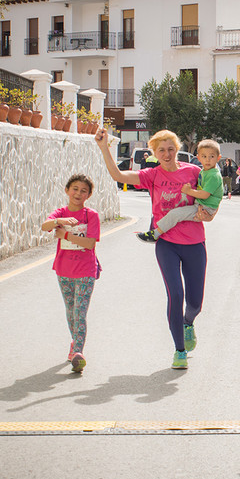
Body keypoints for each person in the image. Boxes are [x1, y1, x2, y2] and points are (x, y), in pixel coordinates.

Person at [94, 127, 209, 369]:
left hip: (195, 243)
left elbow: (213, 195)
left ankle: (189, 322)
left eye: (170, 149)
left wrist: (210, 212)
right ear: (154, 153)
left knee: (195, 303)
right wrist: (104, 148)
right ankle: (179, 351)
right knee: (175, 294)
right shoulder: (152, 175)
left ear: (177, 149)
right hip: (166, 244)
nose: (166, 154)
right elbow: (118, 175)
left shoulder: (194, 172)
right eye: (161, 150)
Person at [40, 174, 100, 374]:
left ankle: (78, 354)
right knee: (70, 311)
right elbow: (44, 226)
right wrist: (59, 220)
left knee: (80, 313)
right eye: (75, 188)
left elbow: (90, 243)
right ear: (67, 190)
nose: (78, 193)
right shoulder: (61, 213)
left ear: (89, 195)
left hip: (85, 271)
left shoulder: (91, 215)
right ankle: (75, 344)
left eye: (83, 190)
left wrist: (65, 234)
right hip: (64, 270)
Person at [137, 139, 223, 243]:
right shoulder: (205, 171)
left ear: (218, 158)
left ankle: (155, 234)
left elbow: (204, 195)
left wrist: (188, 191)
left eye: (212, 156)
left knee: (175, 214)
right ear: (199, 158)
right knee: (177, 214)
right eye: (204, 156)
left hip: (204, 208)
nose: (208, 160)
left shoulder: (213, 175)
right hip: (202, 206)